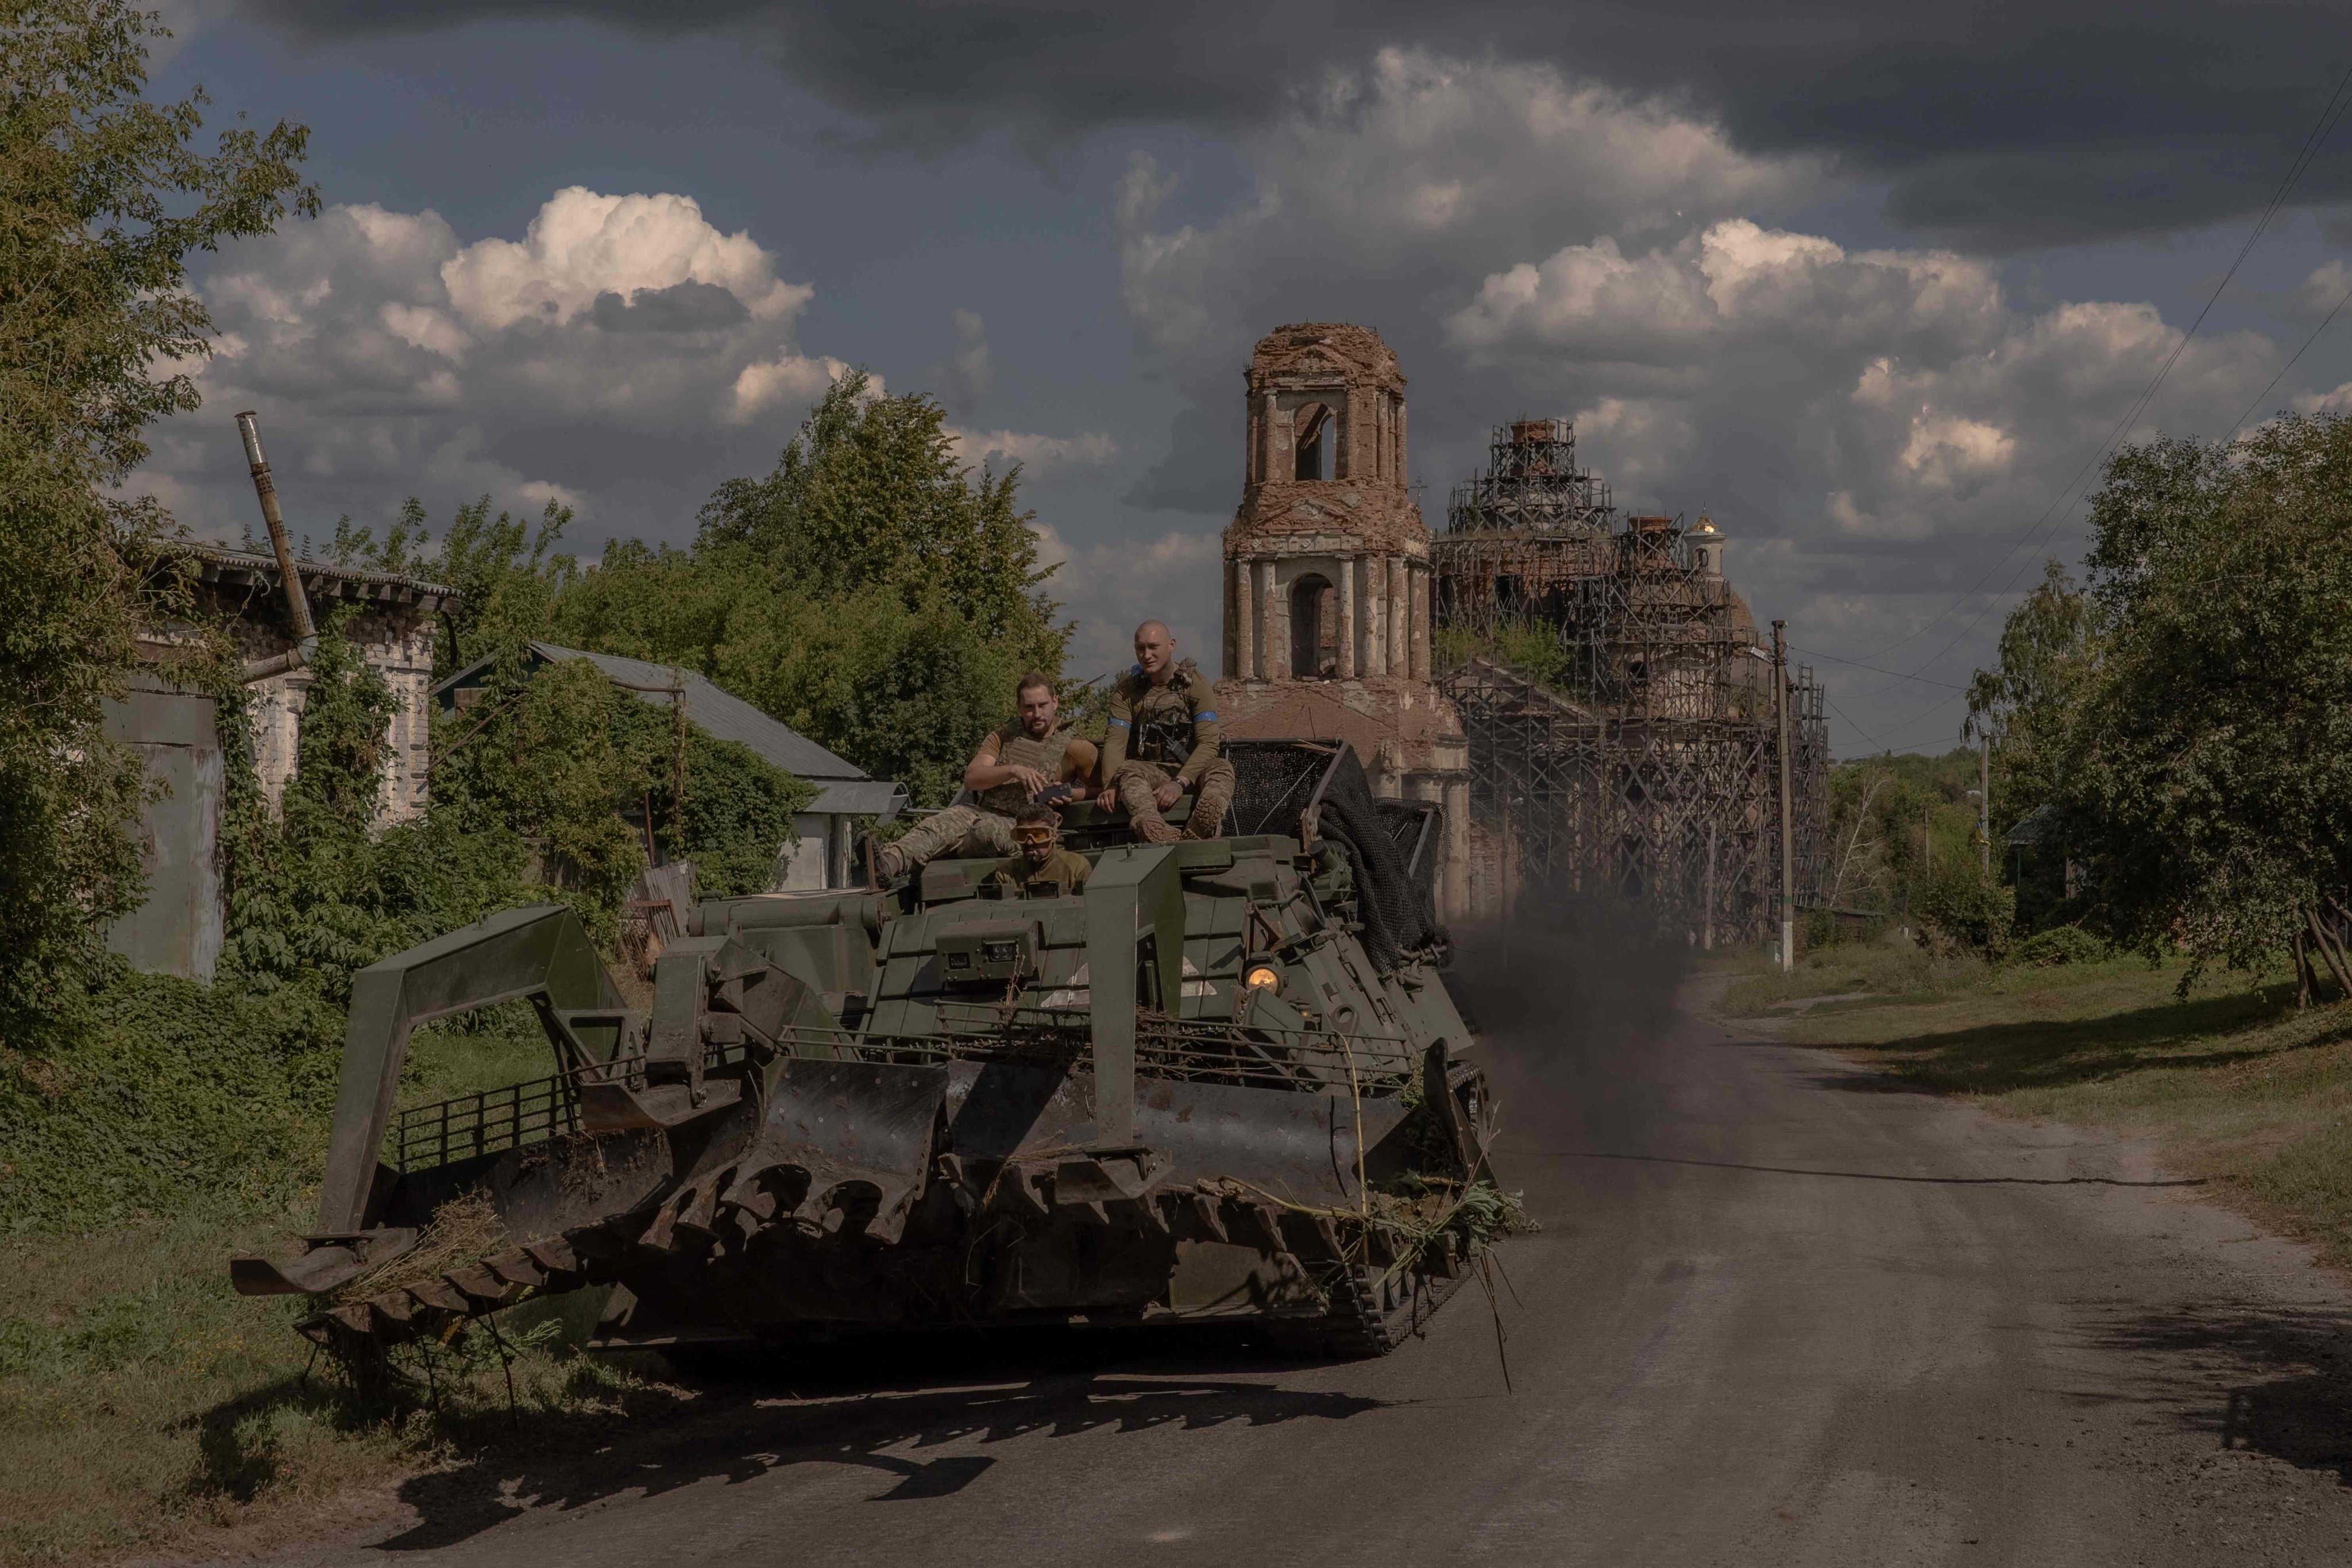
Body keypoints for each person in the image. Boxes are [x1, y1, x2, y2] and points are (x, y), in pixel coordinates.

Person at [872, 671, 1097, 882]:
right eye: (1029, 707)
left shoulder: (1076, 747)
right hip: (984, 813)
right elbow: (972, 778)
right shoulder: (1003, 737)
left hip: (1029, 831)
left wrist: (1070, 794)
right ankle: (888, 863)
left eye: (1043, 705)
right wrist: (1013, 770)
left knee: (984, 831)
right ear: (1018, 708)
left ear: (1055, 702)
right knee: (941, 823)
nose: (1037, 714)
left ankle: (940, 852)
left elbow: (1103, 790)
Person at [1096, 620, 1235, 843]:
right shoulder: (1127, 691)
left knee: (1221, 768)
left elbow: (1209, 743)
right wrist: (1111, 785)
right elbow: (1115, 742)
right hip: (1149, 771)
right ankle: (1153, 827)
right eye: (1140, 649)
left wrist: (1180, 782)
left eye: (1153, 647)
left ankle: (1199, 829)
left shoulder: (1195, 684)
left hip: (1190, 769)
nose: (1146, 655)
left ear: (1171, 645)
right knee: (1128, 770)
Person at [987, 801, 1091, 895]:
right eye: (1022, 835)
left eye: (1038, 835)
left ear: (1054, 836)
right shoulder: (1007, 873)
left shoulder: (1076, 867)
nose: (1029, 842)